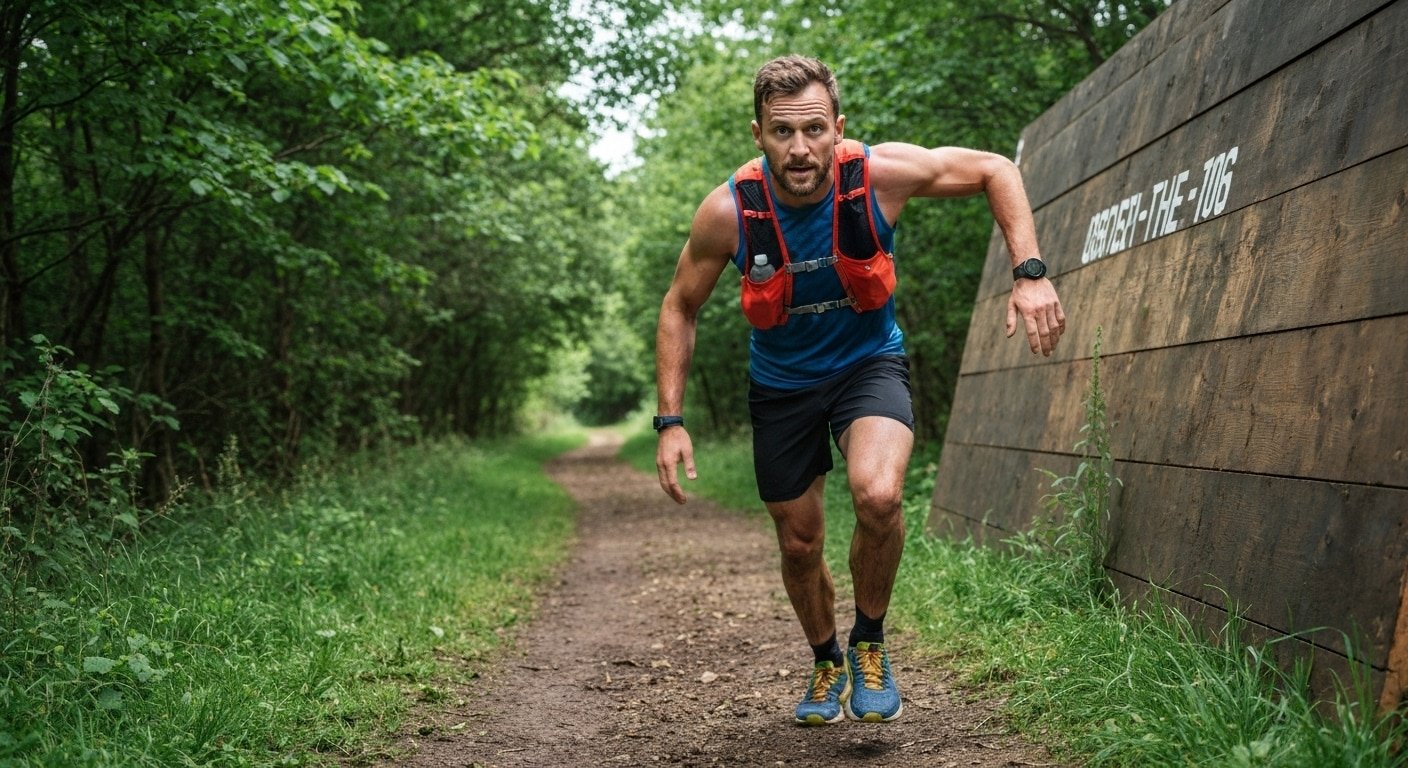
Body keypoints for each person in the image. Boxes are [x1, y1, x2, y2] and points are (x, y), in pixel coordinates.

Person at [652, 55, 1065, 726]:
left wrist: (1030, 270)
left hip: (868, 364)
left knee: (878, 493)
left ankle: (868, 641)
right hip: (782, 384)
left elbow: (997, 169)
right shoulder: (728, 212)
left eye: (814, 129)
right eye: (781, 132)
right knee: (799, 541)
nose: (800, 148)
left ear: (837, 129)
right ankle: (824, 661)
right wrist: (669, 420)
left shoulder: (878, 177)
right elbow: (679, 307)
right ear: (757, 135)